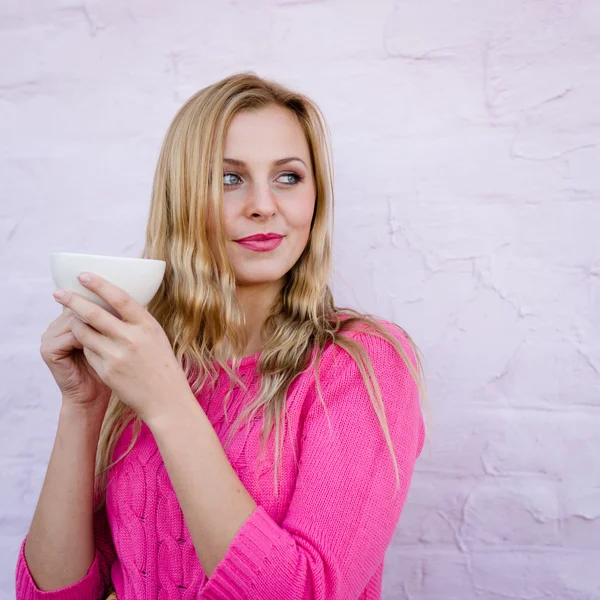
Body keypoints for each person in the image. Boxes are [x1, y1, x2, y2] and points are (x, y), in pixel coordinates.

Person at [15, 72, 427, 600]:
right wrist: (83, 405)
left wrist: (166, 402)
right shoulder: (149, 362)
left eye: (289, 177)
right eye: (229, 179)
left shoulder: (361, 364)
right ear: (182, 198)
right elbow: (53, 595)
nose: (262, 204)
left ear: (316, 198)